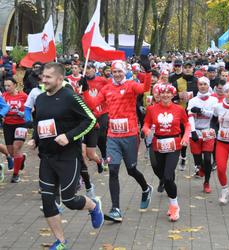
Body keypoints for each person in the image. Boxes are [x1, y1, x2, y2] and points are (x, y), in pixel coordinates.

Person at [29, 62, 103, 250]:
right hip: (47, 157)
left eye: (48, 77)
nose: (43, 80)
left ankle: (93, 206)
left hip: (67, 157)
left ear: (60, 79)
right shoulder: (40, 98)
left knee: (69, 200)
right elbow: (39, 121)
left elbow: (91, 119)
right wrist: (34, 139)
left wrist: (69, 136)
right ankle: (61, 241)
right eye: (43, 76)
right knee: (47, 201)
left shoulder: (71, 97)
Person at [82, 58, 153, 222]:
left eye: (120, 71)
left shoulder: (131, 85)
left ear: (125, 72)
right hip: (113, 136)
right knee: (113, 170)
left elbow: (145, 88)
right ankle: (116, 209)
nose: (118, 74)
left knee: (131, 170)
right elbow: (92, 104)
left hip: (130, 135)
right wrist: (85, 90)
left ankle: (145, 188)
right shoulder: (106, 88)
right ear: (111, 73)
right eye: (115, 72)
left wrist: (148, 72)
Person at [143, 84, 190, 221]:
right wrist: (146, 131)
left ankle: (174, 206)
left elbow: (187, 124)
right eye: (163, 93)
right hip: (157, 144)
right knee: (160, 173)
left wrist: (186, 137)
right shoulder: (152, 109)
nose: (165, 95)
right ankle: (169, 187)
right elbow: (146, 124)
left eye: (168, 93)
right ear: (159, 94)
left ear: (172, 94)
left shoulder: (179, 109)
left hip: (174, 144)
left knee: (168, 177)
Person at [187, 76, 218, 193]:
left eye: (205, 84)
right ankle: (199, 169)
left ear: (208, 85)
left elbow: (214, 116)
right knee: (198, 161)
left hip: (208, 131)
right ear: (197, 86)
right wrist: (193, 131)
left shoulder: (213, 100)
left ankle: (207, 182)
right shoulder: (193, 100)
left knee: (207, 159)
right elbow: (190, 117)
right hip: (195, 132)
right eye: (200, 84)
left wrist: (201, 111)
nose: (203, 86)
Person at [173, 61, 198, 170]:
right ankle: (183, 157)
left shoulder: (198, 82)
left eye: (190, 67)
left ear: (193, 69)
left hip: (195, 114)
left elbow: (204, 94)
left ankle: (197, 164)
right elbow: (170, 97)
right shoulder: (177, 82)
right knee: (183, 135)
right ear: (183, 69)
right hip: (182, 113)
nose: (188, 69)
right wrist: (178, 96)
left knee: (195, 138)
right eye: (186, 67)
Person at [2, 78, 27, 183]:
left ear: (15, 85)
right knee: (11, 152)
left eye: (9, 85)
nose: (7, 88)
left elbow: (30, 110)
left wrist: (22, 113)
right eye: (5, 86)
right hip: (8, 124)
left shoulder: (24, 96)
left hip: (21, 124)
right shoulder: (3, 96)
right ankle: (21, 158)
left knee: (16, 148)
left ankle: (15, 175)